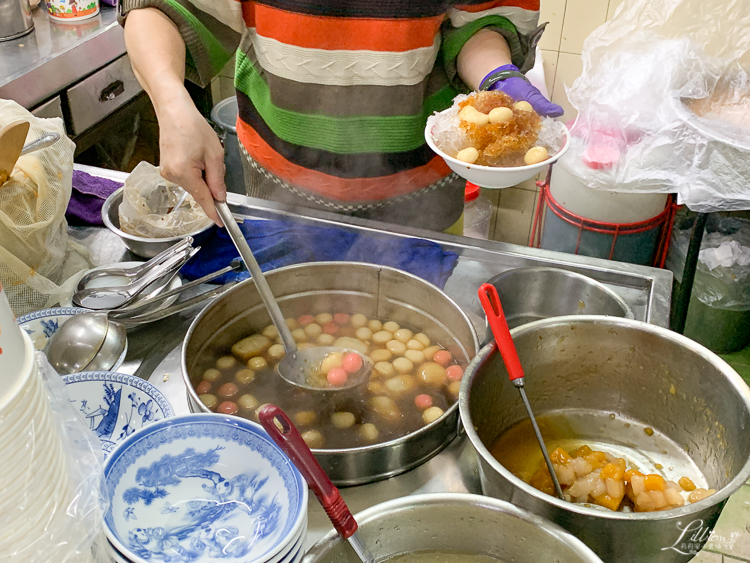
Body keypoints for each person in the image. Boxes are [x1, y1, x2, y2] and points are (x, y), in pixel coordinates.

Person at [120, 0, 561, 233]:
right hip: (281, 198)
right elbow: (160, 9)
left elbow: (481, 21)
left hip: (418, 202)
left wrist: (497, 75)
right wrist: (170, 100)